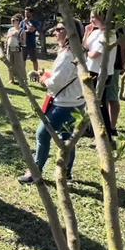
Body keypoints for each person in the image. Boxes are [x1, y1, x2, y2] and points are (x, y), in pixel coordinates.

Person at [19, 20, 84, 184]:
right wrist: (46, 72)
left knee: (42, 134)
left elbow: (55, 84)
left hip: (63, 105)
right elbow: (64, 76)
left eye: (59, 29)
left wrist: (41, 78)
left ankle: (35, 172)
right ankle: (66, 172)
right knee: (68, 138)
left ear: (69, 33)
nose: (55, 32)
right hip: (77, 103)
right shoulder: (78, 52)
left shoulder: (68, 55)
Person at [83, 8, 117, 136]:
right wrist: (87, 32)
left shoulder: (110, 34)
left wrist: (86, 54)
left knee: (99, 103)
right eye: (91, 17)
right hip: (91, 69)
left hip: (101, 72)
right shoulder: (95, 32)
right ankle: (90, 128)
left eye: (94, 17)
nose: (91, 20)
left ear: (102, 18)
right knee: (91, 101)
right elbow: (85, 46)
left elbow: (94, 54)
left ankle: (107, 132)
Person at [6, 14, 27, 84]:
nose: (13, 22)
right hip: (9, 49)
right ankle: (11, 79)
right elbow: (7, 39)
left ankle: (23, 80)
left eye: (14, 20)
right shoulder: (10, 30)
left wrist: (18, 38)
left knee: (19, 65)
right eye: (12, 20)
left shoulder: (22, 30)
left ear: (18, 21)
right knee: (10, 64)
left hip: (18, 49)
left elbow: (24, 42)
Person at [21, 7, 42, 73]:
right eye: (25, 13)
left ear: (31, 13)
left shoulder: (35, 22)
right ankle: (23, 74)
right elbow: (19, 31)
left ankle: (36, 75)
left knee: (34, 60)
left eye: (27, 13)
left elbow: (32, 29)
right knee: (22, 60)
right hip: (23, 44)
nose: (25, 14)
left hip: (31, 44)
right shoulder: (22, 22)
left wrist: (27, 23)